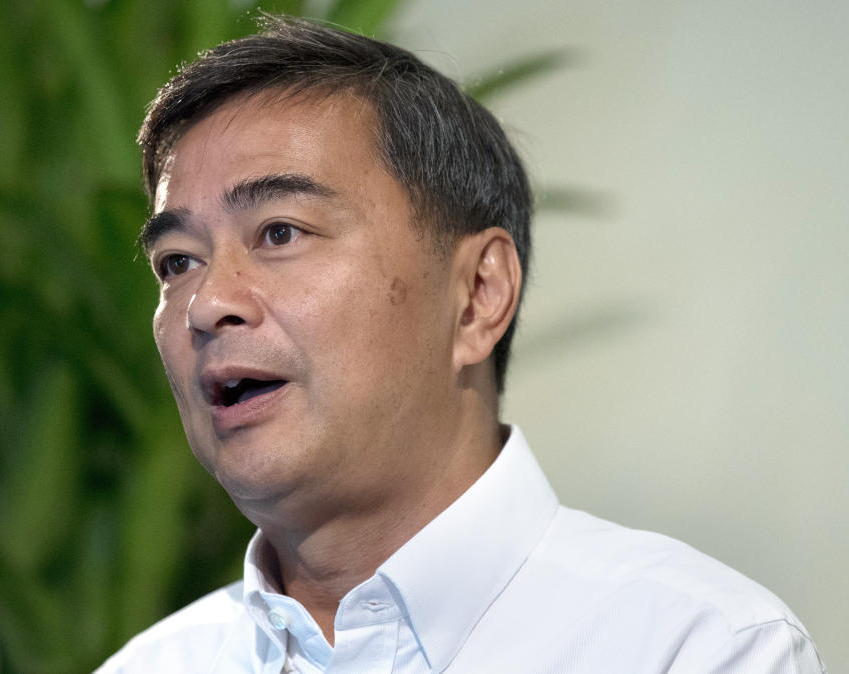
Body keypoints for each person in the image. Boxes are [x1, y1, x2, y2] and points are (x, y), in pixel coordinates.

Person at [97, 16, 826, 674]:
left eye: (281, 232)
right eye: (178, 262)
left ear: (479, 294)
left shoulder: (698, 647)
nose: (209, 303)